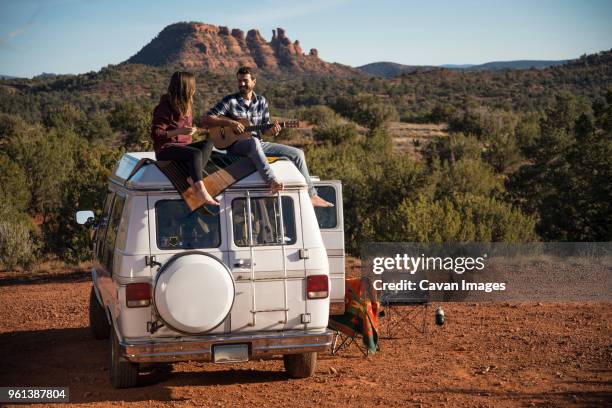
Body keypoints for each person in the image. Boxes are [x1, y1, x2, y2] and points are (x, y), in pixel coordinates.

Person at [201, 66, 333, 207]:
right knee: (253, 142)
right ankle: (272, 182)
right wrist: (230, 123)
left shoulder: (262, 101)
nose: (242, 84)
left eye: (245, 81)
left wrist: (273, 130)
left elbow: (265, 128)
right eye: (239, 81)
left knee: (297, 153)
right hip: (236, 145)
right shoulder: (230, 101)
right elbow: (206, 118)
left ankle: (312, 195)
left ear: (254, 82)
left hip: (258, 142)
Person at [151, 71, 219, 206]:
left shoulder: (186, 105)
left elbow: (183, 130)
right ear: (185, 88)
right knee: (195, 153)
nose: (194, 89)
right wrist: (179, 131)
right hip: (166, 149)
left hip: (182, 147)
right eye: (193, 86)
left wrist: (189, 131)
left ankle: (191, 177)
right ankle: (201, 190)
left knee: (209, 143)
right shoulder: (165, 106)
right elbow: (156, 134)